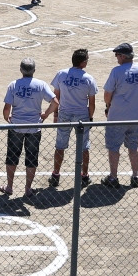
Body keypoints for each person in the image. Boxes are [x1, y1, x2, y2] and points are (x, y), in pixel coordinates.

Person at [1, 57, 55, 198]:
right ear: (34, 70)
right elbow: (55, 102)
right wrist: (45, 114)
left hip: (16, 126)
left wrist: (7, 118)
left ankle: (9, 187)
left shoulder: (14, 85)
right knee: (31, 158)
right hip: (34, 127)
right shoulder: (41, 85)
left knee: (12, 156)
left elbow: (7, 107)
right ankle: (28, 188)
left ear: (21, 70)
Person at [49, 48, 98, 189]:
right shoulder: (88, 78)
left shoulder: (61, 74)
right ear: (83, 63)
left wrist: (56, 114)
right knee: (84, 146)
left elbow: (56, 97)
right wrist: (90, 117)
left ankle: (56, 175)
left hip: (65, 114)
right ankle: (84, 176)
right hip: (82, 116)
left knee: (60, 145)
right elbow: (92, 103)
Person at [102, 42, 138, 188]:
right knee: (133, 147)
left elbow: (107, 95)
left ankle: (113, 177)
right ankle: (135, 176)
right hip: (136, 116)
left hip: (117, 116)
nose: (116, 58)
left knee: (113, 148)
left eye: (117, 55)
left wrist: (108, 106)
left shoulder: (117, 71)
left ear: (123, 56)